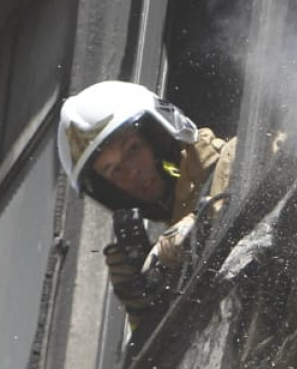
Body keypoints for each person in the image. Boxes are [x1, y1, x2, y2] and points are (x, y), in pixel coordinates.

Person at [58, 80, 235, 326]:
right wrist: (143, 302)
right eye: (113, 170)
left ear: (159, 135)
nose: (130, 172)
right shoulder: (170, 248)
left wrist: (196, 227)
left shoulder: (234, 157)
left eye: (132, 150)